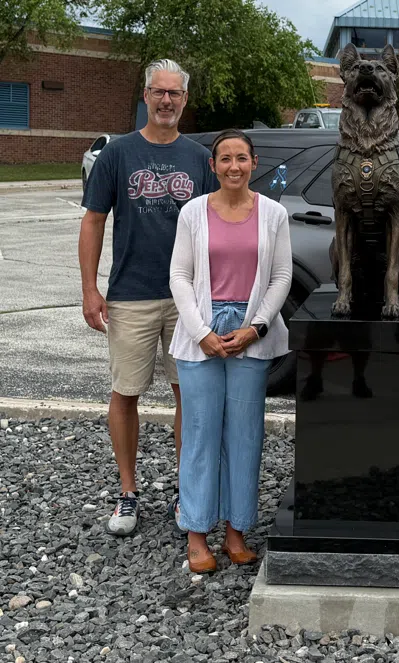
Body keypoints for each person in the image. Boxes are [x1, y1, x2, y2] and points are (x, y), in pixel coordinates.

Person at [78, 59, 218, 536]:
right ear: (145, 96)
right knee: (125, 392)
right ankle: (127, 492)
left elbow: (219, 223)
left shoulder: (200, 159)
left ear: (184, 100)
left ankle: (188, 491)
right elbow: (94, 220)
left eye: (174, 94)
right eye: (158, 92)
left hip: (188, 300)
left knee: (189, 394)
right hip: (130, 295)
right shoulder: (117, 154)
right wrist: (89, 287)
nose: (165, 101)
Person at [168, 128, 292, 573]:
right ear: (213, 165)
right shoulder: (193, 212)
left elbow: (281, 277)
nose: (234, 166)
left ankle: (236, 531)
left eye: (242, 158)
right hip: (201, 331)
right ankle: (197, 533)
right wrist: (200, 330)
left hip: (249, 335)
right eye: (225, 159)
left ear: (254, 163)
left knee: (244, 436)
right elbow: (180, 276)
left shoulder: (274, 214)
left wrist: (256, 328)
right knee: (200, 435)